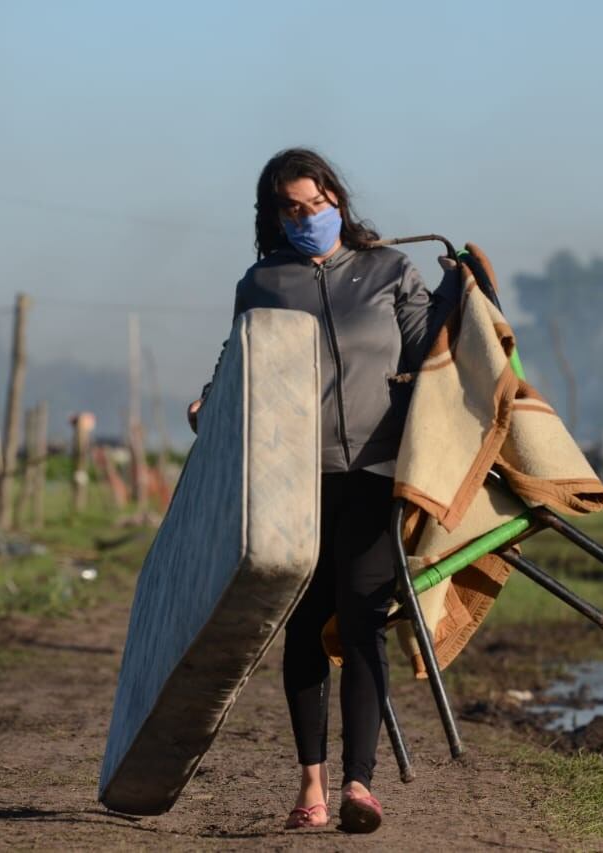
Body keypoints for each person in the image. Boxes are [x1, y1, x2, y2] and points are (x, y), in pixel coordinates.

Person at [187, 148, 445, 834]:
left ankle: (360, 784)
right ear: (274, 214)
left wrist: (466, 302)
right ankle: (312, 787)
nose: (308, 217)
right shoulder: (264, 282)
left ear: (338, 198)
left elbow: (430, 353)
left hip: (378, 472)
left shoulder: (389, 269)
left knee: (362, 619)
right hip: (293, 476)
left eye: (317, 202)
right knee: (301, 624)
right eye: (292, 208)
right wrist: (211, 398)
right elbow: (237, 359)